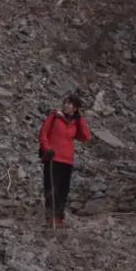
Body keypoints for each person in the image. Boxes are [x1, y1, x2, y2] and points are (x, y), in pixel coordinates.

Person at [37, 94, 91, 228]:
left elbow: (85, 137)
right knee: (51, 188)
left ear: (75, 108)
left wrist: (81, 118)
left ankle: (59, 219)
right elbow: (43, 133)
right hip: (53, 157)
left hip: (67, 160)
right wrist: (47, 149)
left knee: (63, 190)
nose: (66, 105)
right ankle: (50, 218)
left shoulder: (76, 122)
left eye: (70, 104)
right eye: (65, 103)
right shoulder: (54, 116)